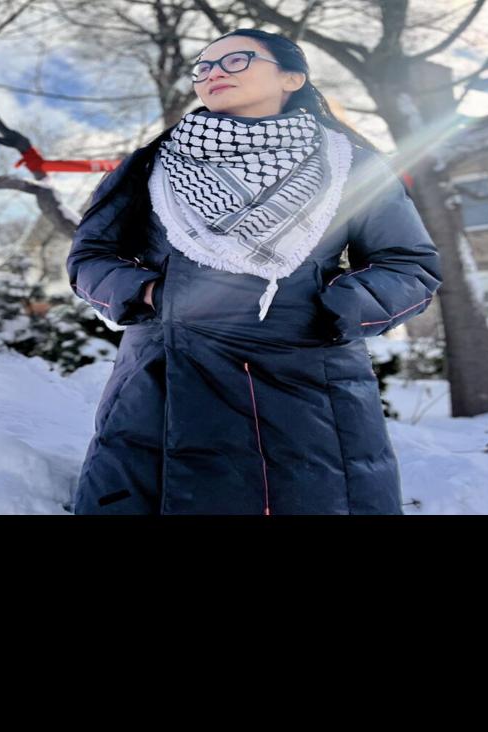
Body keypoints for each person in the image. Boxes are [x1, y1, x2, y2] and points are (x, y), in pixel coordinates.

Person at [67, 28, 442, 515]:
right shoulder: (149, 165)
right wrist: (152, 294)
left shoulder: (352, 165)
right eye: (202, 67)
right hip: (165, 379)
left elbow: (408, 265)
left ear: (292, 77)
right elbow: (90, 255)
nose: (213, 73)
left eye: (236, 60)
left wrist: (333, 307)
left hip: (307, 385)